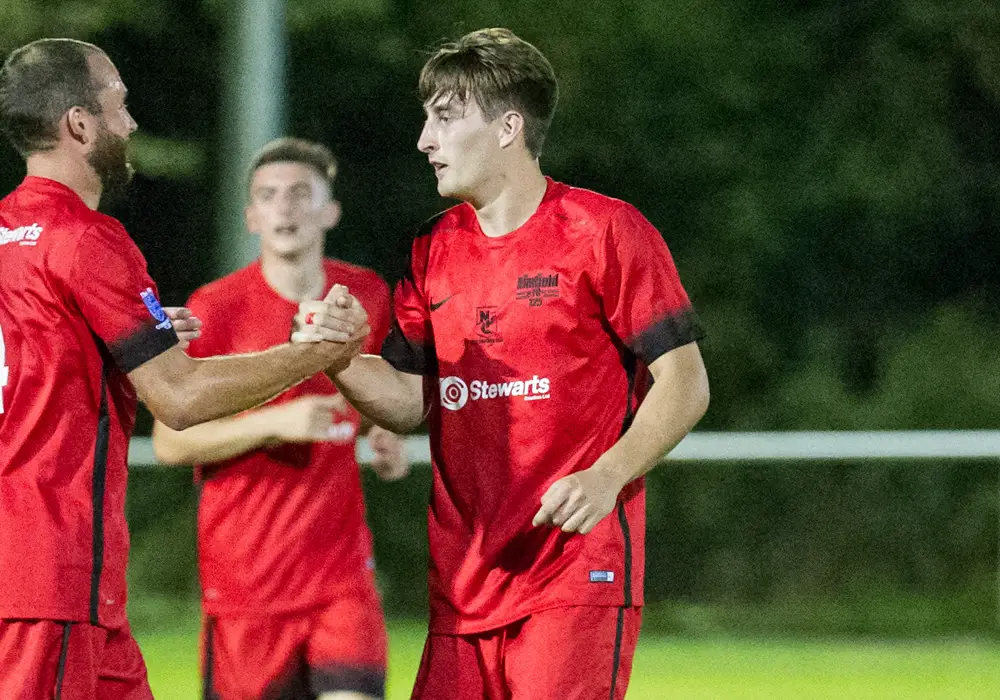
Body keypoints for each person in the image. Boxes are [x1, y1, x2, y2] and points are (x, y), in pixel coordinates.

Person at [298, 28, 711, 700]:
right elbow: (411, 400)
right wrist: (340, 356)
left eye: (444, 117)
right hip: (462, 583)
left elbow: (686, 381)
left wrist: (607, 475)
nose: (424, 140)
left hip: (573, 574)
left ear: (507, 128)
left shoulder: (605, 231)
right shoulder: (434, 247)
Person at [0, 39, 367, 699]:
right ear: (79, 125)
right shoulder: (89, 240)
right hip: (45, 575)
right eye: (119, 105)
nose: (131, 124)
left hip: (69, 585)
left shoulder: (16, 238)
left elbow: (33, 341)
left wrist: (128, 332)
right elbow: (183, 397)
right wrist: (316, 354)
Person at [151, 137, 408, 700]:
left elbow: (378, 396)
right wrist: (276, 422)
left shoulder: (365, 296)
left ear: (330, 210)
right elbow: (169, 442)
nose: (284, 208)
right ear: (251, 216)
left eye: (299, 193)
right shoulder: (216, 308)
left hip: (341, 578)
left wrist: (383, 431)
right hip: (247, 584)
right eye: (268, 196)